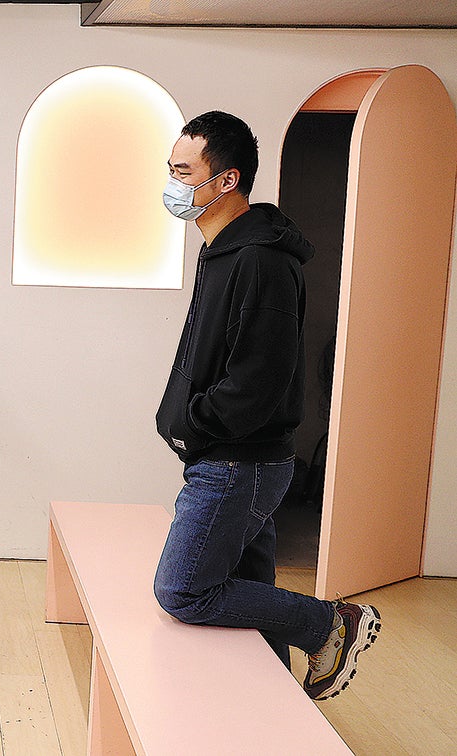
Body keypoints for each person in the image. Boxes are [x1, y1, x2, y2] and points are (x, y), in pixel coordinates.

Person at [153, 111, 380, 701]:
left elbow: (260, 378)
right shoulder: (225, 249)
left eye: (183, 171)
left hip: (237, 463)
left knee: (184, 591)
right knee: (246, 588)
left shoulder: (260, 260)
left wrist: (197, 421)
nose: (171, 183)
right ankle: (273, 707)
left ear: (224, 181)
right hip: (230, 460)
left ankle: (331, 624)